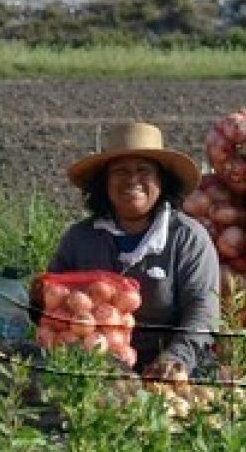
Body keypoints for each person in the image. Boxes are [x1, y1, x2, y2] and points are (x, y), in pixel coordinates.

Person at [45, 120, 220, 379]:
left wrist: (175, 359)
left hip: (170, 371)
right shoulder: (80, 238)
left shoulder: (187, 238)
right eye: (121, 172)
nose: (132, 180)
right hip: (90, 370)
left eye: (144, 170)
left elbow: (202, 309)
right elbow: (52, 302)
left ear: (162, 182)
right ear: (104, 182)